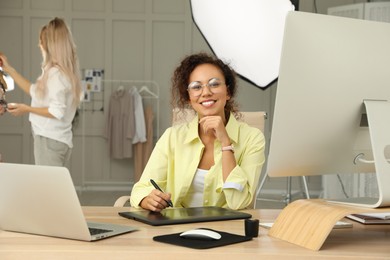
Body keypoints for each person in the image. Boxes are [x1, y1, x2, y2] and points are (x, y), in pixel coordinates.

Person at [130, 53, 265, 211]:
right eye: (196, 86)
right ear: (188, 97)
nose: (206, 92)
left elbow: (238, 202)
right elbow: (140, 189)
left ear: (228, 92)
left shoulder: (253, 139)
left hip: (227, 229)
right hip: (176, 229)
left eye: (214, 84)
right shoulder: (172, 137)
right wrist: (148, 200)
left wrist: (226, 143)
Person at [0, 17, 82, 166]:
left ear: (50, 45)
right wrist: (9, 69)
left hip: (50, 142)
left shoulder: (56, 75)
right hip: (54, 141)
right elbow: (34, 91)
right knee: (50, 186)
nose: (39, 45)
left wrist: (26, 109)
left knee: (48, 188)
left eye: (41, 42)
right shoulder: (58, 73)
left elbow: (56, 111)